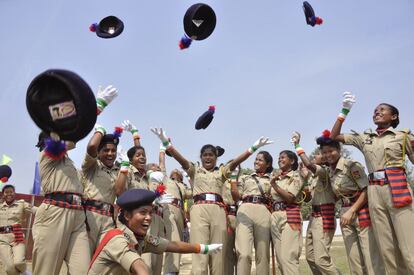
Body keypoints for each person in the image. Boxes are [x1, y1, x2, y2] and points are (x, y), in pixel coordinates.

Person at [151, 127, 272, 275]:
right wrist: (167, 144)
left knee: (218, 255)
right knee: (199, 252)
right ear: (201, 157)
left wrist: (253, 148)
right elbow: (181, 159)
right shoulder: (195, 170)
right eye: (205, 155)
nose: (208, 158)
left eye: (211, 155)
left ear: (216, 158)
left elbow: (234, 163)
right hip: (199, 211)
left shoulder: (221, 171)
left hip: (218, 211)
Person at [32, 84, 118, 275]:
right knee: (46, 270)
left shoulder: (68, 163)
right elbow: (72, 135)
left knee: (82, 270)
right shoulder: (47, 156)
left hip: (78, 215)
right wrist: (96, 107)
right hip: (55, 212)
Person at [330, 92, 414, 274]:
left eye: (382, 110)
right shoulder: (365, 138)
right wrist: (344, 111)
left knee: (409, 248)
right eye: (375, 110)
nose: (377, 112)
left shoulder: (403, 136)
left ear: (393, 116)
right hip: (375, 192)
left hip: (397, 188)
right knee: (386, 247)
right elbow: (334, 136)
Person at [88, 188, 223, 275]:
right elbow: (140, 267)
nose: (148, 218)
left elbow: (173, 245)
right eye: (142, 213)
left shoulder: (140, 238)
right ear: (127, 215)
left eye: (150, 213)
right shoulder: (117, 239)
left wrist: (204, 248)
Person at [315, 131, 384, 275]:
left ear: (339, 150)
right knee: (354, 259)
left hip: (361, 213)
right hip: (345, 214)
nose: (328, 155)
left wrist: (352, 211)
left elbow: (366, 190)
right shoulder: (330, 172)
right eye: (325, 152)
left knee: (371, 256)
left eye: (331, 151)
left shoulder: (351, 166)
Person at [291, 132, 340, 275]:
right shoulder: (314, 177)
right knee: (311, 258)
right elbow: (306, 199)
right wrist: (304, 178)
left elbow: (308, 164)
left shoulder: (325, 171)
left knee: (321, 259)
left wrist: (297, 145)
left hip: (324, 216)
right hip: (314, 216)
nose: (315, 156)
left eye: (318, 155)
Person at [230, 152, 273, 275]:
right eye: (256, 159)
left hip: (263, 211)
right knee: (243, 253)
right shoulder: (245, 177)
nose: (256, 162)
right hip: (245, 210)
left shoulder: (272, 179)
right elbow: (236, 197)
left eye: (260, 160)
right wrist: (233, 179)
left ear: (268, 163)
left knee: (263, 254)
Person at [81, 124, 120, 254]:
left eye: (113, 151)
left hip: (109, 220)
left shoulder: (118, 172)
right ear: (99, 152)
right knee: (84, 261)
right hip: (90, 217)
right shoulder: (92, 166)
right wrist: (100, 131)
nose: (110, 154)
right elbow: (92, 146)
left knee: (103, 261)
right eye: (106, 150)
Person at [158, 144, 193, 275]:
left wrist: (189, 176)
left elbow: (195, 191)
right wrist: (162, 150)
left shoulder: (183, 187)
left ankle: (172, 270)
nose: (176, 171)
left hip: (179, 213)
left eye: (179, 172)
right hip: (168, 208)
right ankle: (171, 271)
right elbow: (162, 166)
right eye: (175, 171)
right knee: (173, 239)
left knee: (177, 242)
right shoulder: (166, 180)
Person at [269, 150, 304, 275]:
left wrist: (274, 185)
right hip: (275, 215)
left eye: (283, 157)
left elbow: (290, 198)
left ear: (292, 161)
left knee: (289, 257)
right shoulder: (277, 178)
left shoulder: (296, 176)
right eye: (278, 157)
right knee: (280, 260)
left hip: (290, 214)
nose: (279, 159)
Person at [0, 172, 36, 275]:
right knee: (10, 269)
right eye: (6, 192)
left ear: (14, 193)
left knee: (19, 262)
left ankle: (25, 272)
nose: (9, 194)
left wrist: (49, 209)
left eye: (11, 192)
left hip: (17, 237)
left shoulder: (21, 204)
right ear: (3, 194)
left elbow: (36, 210)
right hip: (2, 240)